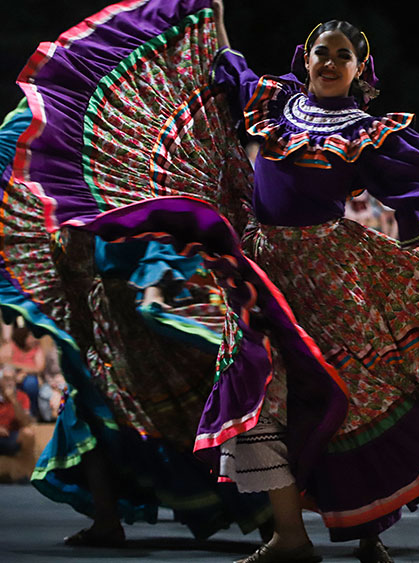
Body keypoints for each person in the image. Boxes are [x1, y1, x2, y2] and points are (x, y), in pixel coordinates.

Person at [14, 0, 419, 563]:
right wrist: (215, 9)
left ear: (361, 71)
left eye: (343, 56)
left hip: (331, 268)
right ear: (304, 60)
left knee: (354, 392)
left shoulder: (369, 132)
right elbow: (226, 62)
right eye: (322, 53)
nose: (330, 62)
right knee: (260, 387)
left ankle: (365, 532)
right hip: (259, 270)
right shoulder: (273, 102)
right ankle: (290, 535)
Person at [0, 100, 272, 545]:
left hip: (153, 333)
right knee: (86, 412)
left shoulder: (122, 186)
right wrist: (81, 342)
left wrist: (156, 293)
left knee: (191, 418)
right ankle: (107, 521)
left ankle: (266, 519)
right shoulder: (57, 212)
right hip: (106, 333)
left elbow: (167, 239)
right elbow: (72, 284)